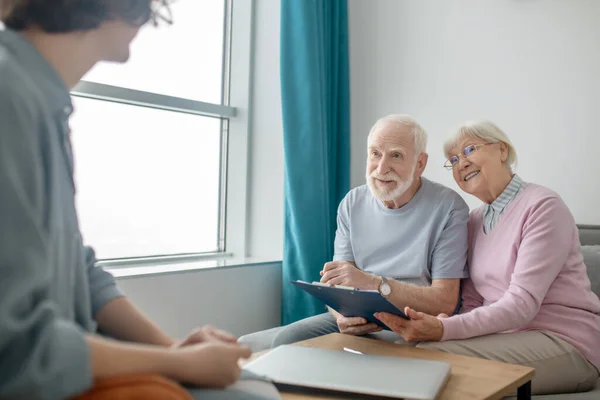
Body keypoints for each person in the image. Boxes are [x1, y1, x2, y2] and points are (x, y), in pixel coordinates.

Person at [0, 1, 271, 399]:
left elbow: (82, 272)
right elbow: (18, 349)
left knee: (251, 389)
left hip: (60, 369)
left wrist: (174, 349)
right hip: (37, 381)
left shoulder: (42, 101)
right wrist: (180, 364)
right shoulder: (11, 98)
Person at [375, 120, 600, 395]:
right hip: (507, 337)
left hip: (565, 342)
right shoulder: (473, 221)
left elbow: (522, 305)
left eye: (470, 150)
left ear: (502, 150)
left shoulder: (543, 207)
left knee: (425, 362)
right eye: (454, 159)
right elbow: (472, 301)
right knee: (403, 353)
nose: (462, 163)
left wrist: (444, 329)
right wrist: (445, 323)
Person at [240, 114, 470, 351]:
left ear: (420, 164)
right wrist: (340, 315)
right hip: (360, 322)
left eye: (396, 155)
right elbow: (338, 284)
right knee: (285, 342)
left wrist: (374, 283)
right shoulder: (352, 202)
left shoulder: (449, 207)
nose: (381, 168)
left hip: (411, 324)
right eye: (375, 154)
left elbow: (445, 301)